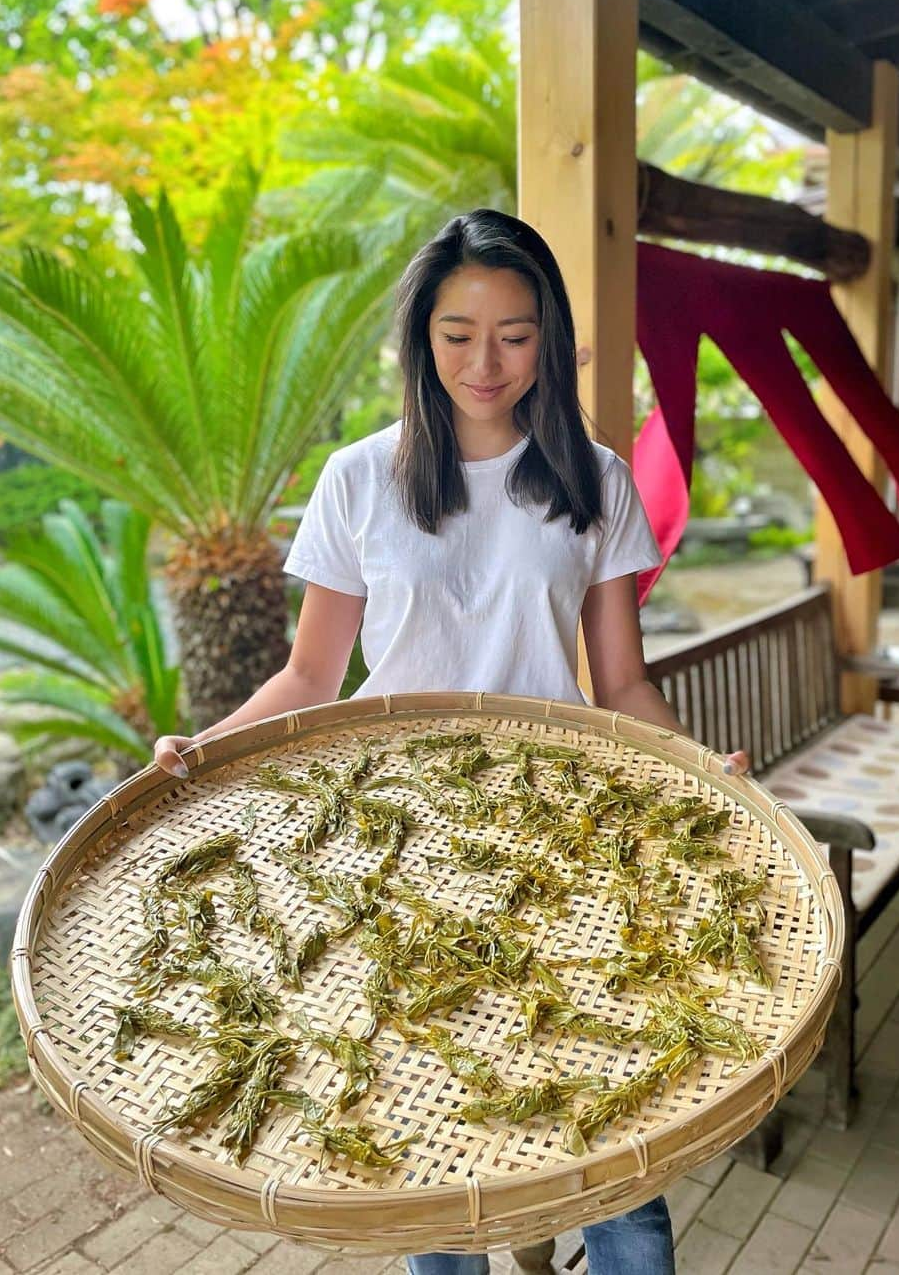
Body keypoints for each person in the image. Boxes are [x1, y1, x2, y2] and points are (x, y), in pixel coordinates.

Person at [154, 208, 749, 1275]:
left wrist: (703, 767)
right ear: (420, 337)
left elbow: (617, 681)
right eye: (457, 331)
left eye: (516, 334)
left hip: (561, 833)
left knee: (620, 1154)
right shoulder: (358, 479)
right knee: (435, 1159)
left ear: (552, 341)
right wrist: (202, 747)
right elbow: (310, 676)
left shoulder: (596, 481)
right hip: (394, 839)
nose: (486, 361)